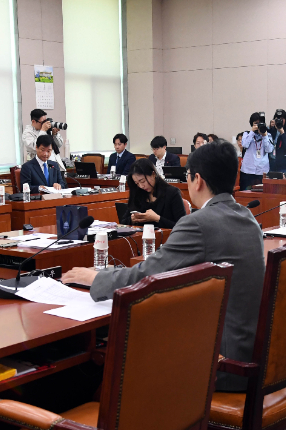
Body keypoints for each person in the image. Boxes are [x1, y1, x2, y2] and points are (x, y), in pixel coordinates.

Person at [62, 140, 265, 394]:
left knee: (125, 345)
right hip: (252, 356)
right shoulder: (247, 217)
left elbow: (145, 276)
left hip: (222, 365)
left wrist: (95, 277)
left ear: (197, 180)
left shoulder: (198, 223)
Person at [120, 159, 186, 229]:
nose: (141, 186)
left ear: (153, 174)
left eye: (142, 181)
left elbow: (183, 226)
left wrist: (157, 218)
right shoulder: (138, 193)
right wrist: (132, 220)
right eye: (137, 183)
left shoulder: (172, 193)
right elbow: (123, 222)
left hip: (167, 235)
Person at [240, 112, 274, 190]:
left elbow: (269, 150)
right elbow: (244, 145)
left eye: (260, 123)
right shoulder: (247, 134)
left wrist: (264, 136)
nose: (259, 125)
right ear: (252, 124)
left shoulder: (268, 135)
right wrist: (252, 132)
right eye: (256, 123)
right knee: (245, 192)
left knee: (261, 192)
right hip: (248, 170)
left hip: (262, 170)